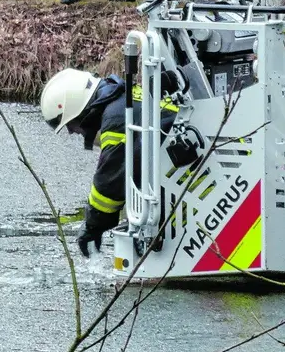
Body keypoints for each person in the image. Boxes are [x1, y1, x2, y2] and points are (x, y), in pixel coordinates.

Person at [39, 67, 189, 257]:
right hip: (189, 174)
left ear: (81, 112)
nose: (72, 131)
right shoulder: (124, 98)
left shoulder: (116, 120)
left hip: (195, 186)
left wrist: (92, 226)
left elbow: (111, 182)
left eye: (70, 124)